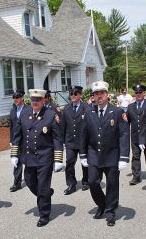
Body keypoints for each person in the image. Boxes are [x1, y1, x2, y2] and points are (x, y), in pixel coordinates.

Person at [80, 80, 130, 227]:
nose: (99, 96)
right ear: (93, 97)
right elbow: (84, 135)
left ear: (107, 95)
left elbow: (123, 135)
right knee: (92, 182)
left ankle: (110, 212)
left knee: (112, 184)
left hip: (112, 154)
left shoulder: (117, 112)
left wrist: (124, 157)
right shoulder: (88, 112)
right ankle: (102, 205)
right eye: (96, 94)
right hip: (94, 154)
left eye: (102, 93)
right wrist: (83, 154)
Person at [11, 89, 63, 227]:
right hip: (29, 157)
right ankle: (45, 194)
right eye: (32, 100)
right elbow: (17, 135)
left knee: (43, 186)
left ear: (43, 100)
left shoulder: (51, 115)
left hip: (45, 157)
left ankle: (44, 214)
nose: (35, 102)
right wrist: (14, 154)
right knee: (29, 181)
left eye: (38, 100)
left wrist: (58, 159)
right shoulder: (24, 113)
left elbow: (57, 138)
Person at [61, 85, 89, 195]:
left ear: (80, 95)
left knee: (85, 163)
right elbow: (63, 125)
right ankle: (71, 184)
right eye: (71, 94)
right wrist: (63, 141)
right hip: (70, 141)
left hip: (83, 142)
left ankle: (86, 181)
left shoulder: (87, 107)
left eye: (75, 94)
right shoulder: (67, 108)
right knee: (69, 163)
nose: (72, 96)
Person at [126, 84, 146, 185]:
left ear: (144, 93)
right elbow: (127, 121)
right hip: (135, 136)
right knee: (135, 156)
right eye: (136, 92)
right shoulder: (130, 107)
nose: (138, 94)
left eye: (140, 92)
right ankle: (136, 176)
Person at [9, 90, 28, 192]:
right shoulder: (12, 111)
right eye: (14, 98)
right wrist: (11, 140)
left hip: (27, 140)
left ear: (22, 98)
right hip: (16, 141)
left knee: (29, 161)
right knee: (16, 162)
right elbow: (11, 127)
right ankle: (17, 183)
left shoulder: (29, 109)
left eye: (17, 97)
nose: (15, 100)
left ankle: (31, 180)